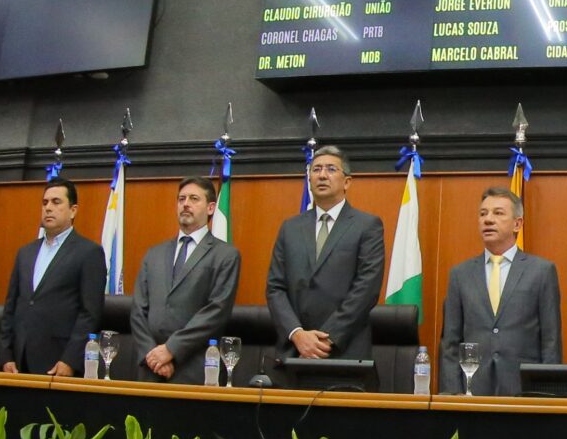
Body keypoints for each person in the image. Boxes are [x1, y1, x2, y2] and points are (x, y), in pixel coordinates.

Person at [438, 186, 562, 395]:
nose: (488, 219)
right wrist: (452, 395)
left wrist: (547, 398)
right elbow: (450, 343)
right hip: (471, 393)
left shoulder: (541, 271)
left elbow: (551, 342)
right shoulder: (460, 274)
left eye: (498, 213)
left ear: (517, 224)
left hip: (524, 392)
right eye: (483, 213)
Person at [265, 145, 385, 361]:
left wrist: (325, 339)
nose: (322, 175)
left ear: (347, 182)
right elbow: (275, 287)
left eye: (331, 169)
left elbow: (366, 289)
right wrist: (297, 334)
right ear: (309, 179)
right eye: (316, 169)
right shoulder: (290, 227)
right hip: (294, 351)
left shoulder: (367, 226)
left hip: (344, 350)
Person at [127, 178, 242, 384]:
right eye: (181, 199)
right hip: (150, 368)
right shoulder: (154, 254)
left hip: (195, 369)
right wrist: (152, 356)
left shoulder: (225, 255)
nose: (185, 204)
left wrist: (171, 349)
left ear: (210, 208)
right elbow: (138, 310)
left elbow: (217, 310)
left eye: (194, 199)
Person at [0, 179, 105, 376]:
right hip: (18, 363)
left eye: (56, 202)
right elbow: (11, 306)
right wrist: (6, 355)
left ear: (73, 210)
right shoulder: (25, 252)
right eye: (45, 202)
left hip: (58, 362)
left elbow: (90, 313)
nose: (48, 208)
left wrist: (70, 360)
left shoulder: (89, 252)